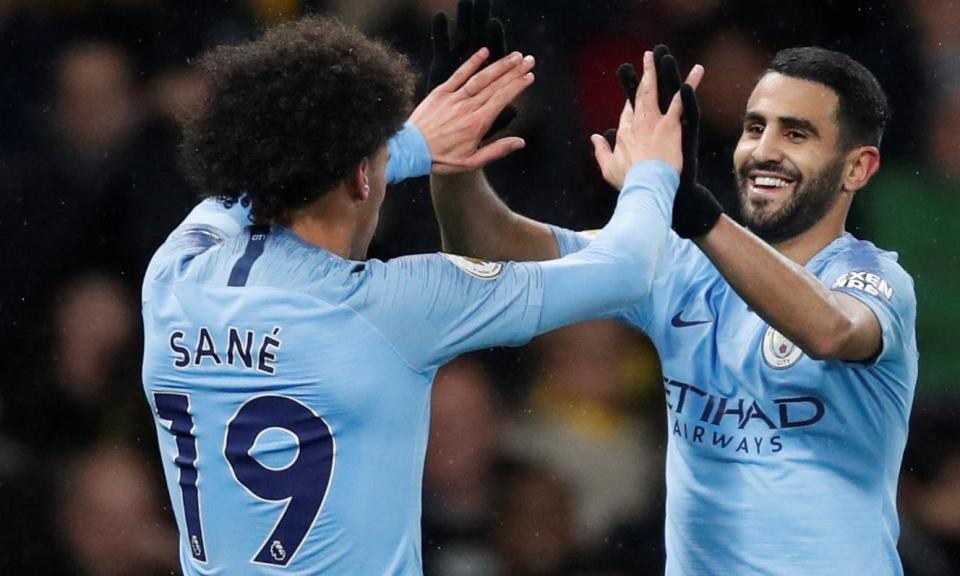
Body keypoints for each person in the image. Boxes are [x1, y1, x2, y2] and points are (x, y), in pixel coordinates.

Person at [141, 16, 696, 575]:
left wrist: (411, 144)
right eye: (380, 162)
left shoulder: (174, 275)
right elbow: (626, 270)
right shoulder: (394, 305)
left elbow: (239, 193)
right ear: (361, 177)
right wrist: (652, 170)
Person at [431, 44, 917, 574]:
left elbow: (831, 330)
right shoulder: (676, 263)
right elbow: (494, 246)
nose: (763, 150)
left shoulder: (875, 281)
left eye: (795, 134)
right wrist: (457, 163)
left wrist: (696, 213)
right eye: (755, 128)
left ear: (857, 168)